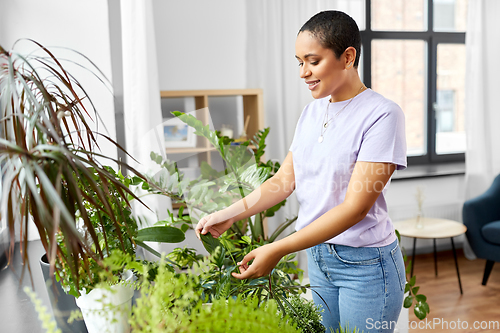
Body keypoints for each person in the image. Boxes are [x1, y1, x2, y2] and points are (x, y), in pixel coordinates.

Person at [196, 10, 406, 333]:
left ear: (347, 57)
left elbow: (355, 209)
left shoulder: (382, 115)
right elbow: (283, 181)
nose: (303, 72)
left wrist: (278, 249)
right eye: (299, 62)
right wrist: (230, 213)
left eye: (313, 61)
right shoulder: (311, 112)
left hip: (365, 266)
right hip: (320, 258)